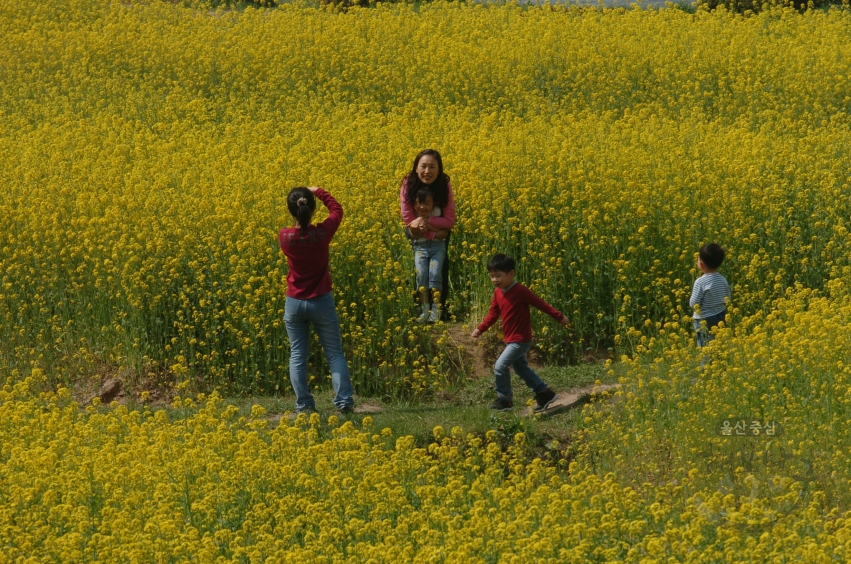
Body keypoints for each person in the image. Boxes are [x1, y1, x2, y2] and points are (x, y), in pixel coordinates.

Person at [279, 186, 354, 414]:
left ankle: (304, 405)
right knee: (334, 353)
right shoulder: (322, 234)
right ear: (312, 210)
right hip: (321, 300)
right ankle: (343, 402)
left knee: (298, 354)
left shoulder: (285, 237)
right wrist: (319, 191)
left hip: (294, 302)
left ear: (292, 211)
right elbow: (337, 210)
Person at [470, 254, 570, 412]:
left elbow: (540, 304)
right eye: (492, 276)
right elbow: (492, 314)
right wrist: (480, 329)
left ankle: (505, 400)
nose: (495, 280)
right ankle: (544, 393)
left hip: (521, 339)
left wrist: (559, 317)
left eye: (498, 276)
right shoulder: (497, 293)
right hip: (510, 339)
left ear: (511, 274)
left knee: (500, 367)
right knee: (520, 368)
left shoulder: (520, 291)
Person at [400, 149, 455, 319]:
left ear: (439, 169)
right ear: (416, 168)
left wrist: (427, 223)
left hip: (439, 234)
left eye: (432, 167)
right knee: (419, 271)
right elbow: (407, 217)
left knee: (439, 271)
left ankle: (439, 310)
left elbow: (449, 220)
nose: (427, 171)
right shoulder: (408, 183)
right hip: (416, 232)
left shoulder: (444, 185)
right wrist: (419, 225)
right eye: (423, 166)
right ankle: (421, 309)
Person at [409, 187, 447, 322]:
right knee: (421, 276)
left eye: (427, 203)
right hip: (420, 247)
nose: (422, 207)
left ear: (433, 204)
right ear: (414, 203)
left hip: (438, 246)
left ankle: (436, 311)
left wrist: (429, 226)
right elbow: (414, 236)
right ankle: (425, 311)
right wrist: (418, 227)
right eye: (419, 203)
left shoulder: (437, 212)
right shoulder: (412, 216)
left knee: (435, 274)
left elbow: (444, 232)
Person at [689, 242, 731, 348]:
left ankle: (706, 365)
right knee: (720, 345)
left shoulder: (700, 282)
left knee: (705, 346)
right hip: (721, 315)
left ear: (701, 264)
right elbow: (727, 298)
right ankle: (719, 363)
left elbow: (694, 303)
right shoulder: (722, 279)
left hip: (704, 319)